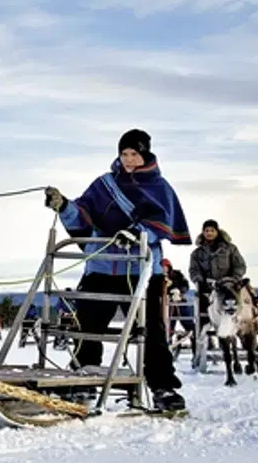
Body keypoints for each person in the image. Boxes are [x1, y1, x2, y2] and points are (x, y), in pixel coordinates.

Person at [44, 128, 192, 412]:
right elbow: (83, 214)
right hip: (101, 267)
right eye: (124, 154)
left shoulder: (160, 187)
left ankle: (162, 386)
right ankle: (83, 377)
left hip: (141, 271)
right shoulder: (104, 184)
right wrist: (63, 206)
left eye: (134, 154)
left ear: (144, 154)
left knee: (151, 330)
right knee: (88, 324)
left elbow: (163, 223)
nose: (128, 159)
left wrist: (137, 233)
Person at [188, 219, 248, 325]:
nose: (209, 233)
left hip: (230, 285)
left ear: (217, 232)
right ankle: (204, 329)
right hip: (209, 287)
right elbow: (194, 270)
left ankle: (253, 320)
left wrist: (234, 278)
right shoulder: (197, 254)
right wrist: (199, 280)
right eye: (206, 230)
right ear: (203, 232)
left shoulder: (230, 249)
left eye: (212, 230)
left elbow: (240, 265)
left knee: (249, 294)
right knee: (201, 303)